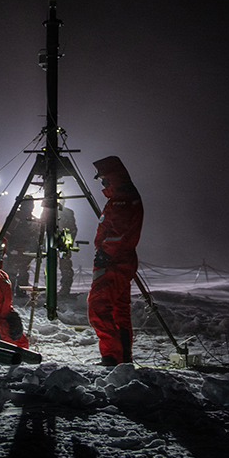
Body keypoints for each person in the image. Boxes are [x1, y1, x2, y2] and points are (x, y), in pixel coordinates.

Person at [87, 156, 143, 365]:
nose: (101, 181)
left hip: (114, 262)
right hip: (122, 260)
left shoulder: (121, 199)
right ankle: (123, 357)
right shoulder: (124, 196)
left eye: (102, 177)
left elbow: (118, 231)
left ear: (111, 176)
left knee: (98, 308)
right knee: (119, 310)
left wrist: (105, 252)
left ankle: (112, 357)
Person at [5, 195, 40, 297]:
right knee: (15, 271)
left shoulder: (32, 219)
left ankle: (17, 291)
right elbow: (7, 234)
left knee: (20, 271)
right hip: (16, 249)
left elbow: (36, 237)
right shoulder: (16, 218)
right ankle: (14, 291)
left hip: (23, 250)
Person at [58, 201, 78, 297]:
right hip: (53, 239)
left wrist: (68, 241)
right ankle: (51, 288)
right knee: (49, 266)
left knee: (65, 265)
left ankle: (65, 288)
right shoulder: (48, 212)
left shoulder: (67, 213)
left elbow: (72, 229)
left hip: (64, 239)